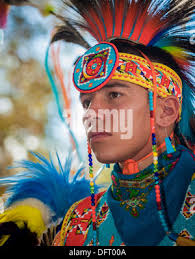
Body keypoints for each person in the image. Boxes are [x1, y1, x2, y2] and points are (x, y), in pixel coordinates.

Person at [0, 0, 195, 246]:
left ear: (166, 111)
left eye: (114, 95)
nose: (92, 114)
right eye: (86, 103)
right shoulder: (76, 222)